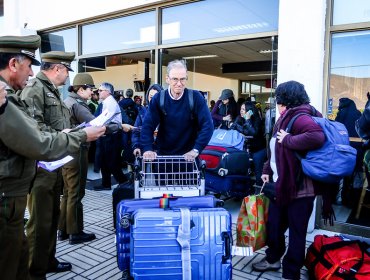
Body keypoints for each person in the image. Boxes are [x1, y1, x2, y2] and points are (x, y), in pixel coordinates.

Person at [0, 35, 105, 280]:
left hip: (30, 175)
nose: (31, 73)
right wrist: (78, 137)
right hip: (23, 180)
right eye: (29, 65)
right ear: (14, 64)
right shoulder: (16, 94)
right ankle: (39, 268)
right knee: (36, 227)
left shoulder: (25, 93)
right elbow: (35, 138)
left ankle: (44, 263)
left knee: (42, 227)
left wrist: (63, 135)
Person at [252, 80, 325, 280]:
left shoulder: (301, 117)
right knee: (274, 225)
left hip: (300, 188)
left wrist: (289, 140)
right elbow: (274, 148)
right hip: (282, 184)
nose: (277, 101)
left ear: (286, 98)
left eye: (279, 96)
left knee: (297, 233)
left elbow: (317, 137)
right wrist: (267, 168)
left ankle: (291, 272)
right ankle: (273, 259)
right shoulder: (285, 117)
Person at [20, 50, 77, 279]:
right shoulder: (35, 89)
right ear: (57, 69)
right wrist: (61, 134)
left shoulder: (52, 90)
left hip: (54, 165)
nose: (67, 77)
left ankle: (47, 261)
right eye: (66, 71)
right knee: (39, 224)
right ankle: (35, 271)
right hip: (41, 168)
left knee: (51, 218)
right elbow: (32, 128)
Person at [141, 59, 213, 161]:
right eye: (175, 79)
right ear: (167, 79)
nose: (179, 83)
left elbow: (208, 125)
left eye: (182, 79)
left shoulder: (196, 97)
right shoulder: (158, 98)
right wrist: (147, 148)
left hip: (189, 157)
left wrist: (196, 149)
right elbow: (148, 125)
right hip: (163, 157)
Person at [58, 73, 97, 244]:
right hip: (77, 151)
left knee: (67, 192)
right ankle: (75, 232)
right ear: (81, 89)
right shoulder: (78, 105)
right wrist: (118, 126)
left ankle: (63, 230)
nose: (91, 93)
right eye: (90, 89)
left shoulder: (66, 102)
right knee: (76, 192)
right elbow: (95, 124)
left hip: (66, 150)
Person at [94, 82, 129, 190]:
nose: (98, 92)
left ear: (108, 92)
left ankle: (124, 182)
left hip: (112, 136)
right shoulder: (106, 102)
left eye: (100, 90)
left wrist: (93, 126)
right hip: (108, 135)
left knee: (112, 162)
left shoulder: (110, 103)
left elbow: (104, 120)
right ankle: (106, 184)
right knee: (105, 161)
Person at [230, 101, 266, 186]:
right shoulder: (238, 118)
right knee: (242, 170)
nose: (241, 111)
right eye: (241, 109)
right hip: (245, 149)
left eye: (244, 109)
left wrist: (247, 119)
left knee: (258, 171)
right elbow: (232, 129)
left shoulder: (257, 120)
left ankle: (258, 192)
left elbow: (253, 133)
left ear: (250, 111)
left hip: (258, 149)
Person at [132, 83, 163, 156]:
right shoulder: (142, 112)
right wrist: (136, 146)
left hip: (162, 153)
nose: (153, 99)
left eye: (156, 96)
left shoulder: (166, 112)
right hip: (146, 152)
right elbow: (135, 131)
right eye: (151, 97)